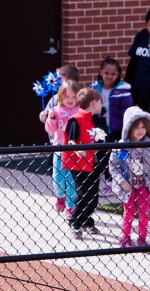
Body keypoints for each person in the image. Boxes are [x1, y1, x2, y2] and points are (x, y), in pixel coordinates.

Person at [109, 106, 150, 248]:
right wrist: (121, 182)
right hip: (127, 185)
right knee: (128, 213)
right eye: (136, 127)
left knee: (144, 212)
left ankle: (142, 239)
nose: (140, 131)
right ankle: (125, 238)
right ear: (128, 128)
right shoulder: (122, 146)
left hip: (143, 184)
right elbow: (113, 166)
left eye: (143, 127)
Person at [62, 88, 106, 240]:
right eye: (100, 102)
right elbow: (71, 139)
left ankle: (86, 219)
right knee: (84, 193)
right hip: (79, 164)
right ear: (93, 103)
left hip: (91, 163)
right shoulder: (77, 119)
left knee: (93, 195)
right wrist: (77, 148)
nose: (101, 105)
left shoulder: (92, 121)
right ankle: (74, 221)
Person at [44, 80, 80, 220]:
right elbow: (50, 129)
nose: (70, 100)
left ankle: (70, 206)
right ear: (60, 97)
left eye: (73, 97)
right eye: (67, 97)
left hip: (74, 152)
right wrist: (51, 118)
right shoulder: (57, 110)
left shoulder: (79, 111)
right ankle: (60, 195)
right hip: (59, 150)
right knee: (58, 178)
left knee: (71, 180)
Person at [90, 57, 134, 141]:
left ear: (118, 75)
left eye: (113, 74)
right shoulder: (94, 88)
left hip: (117, 131)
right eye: (106, 73)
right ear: (100, 72)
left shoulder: (123, 90)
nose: (109, 76)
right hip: (97, 130)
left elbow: (127, 112)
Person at [39, 65, 81, 141]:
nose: (58, 83)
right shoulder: (55, 99)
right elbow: (46, 115)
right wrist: (44, 116)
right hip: (58, 140)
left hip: (76, 141)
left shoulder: (80, 100)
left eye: (60, 81)